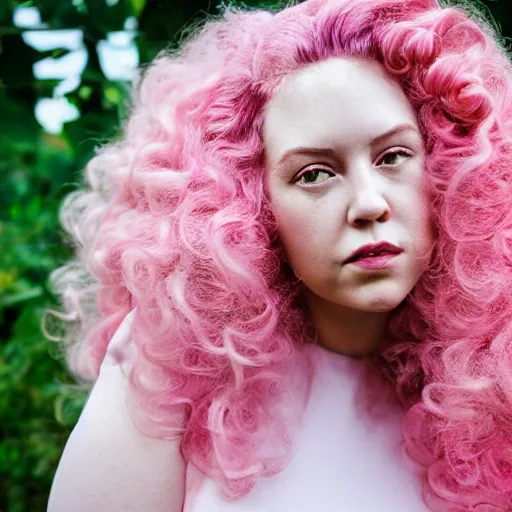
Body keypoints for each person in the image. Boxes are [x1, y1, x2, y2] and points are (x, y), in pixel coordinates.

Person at [45, 0, 512, 510]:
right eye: (314, 174)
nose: (368, 204)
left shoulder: (495, 382)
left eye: (393, 157)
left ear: (450, 165)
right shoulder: (169, 360)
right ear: (251, 203)